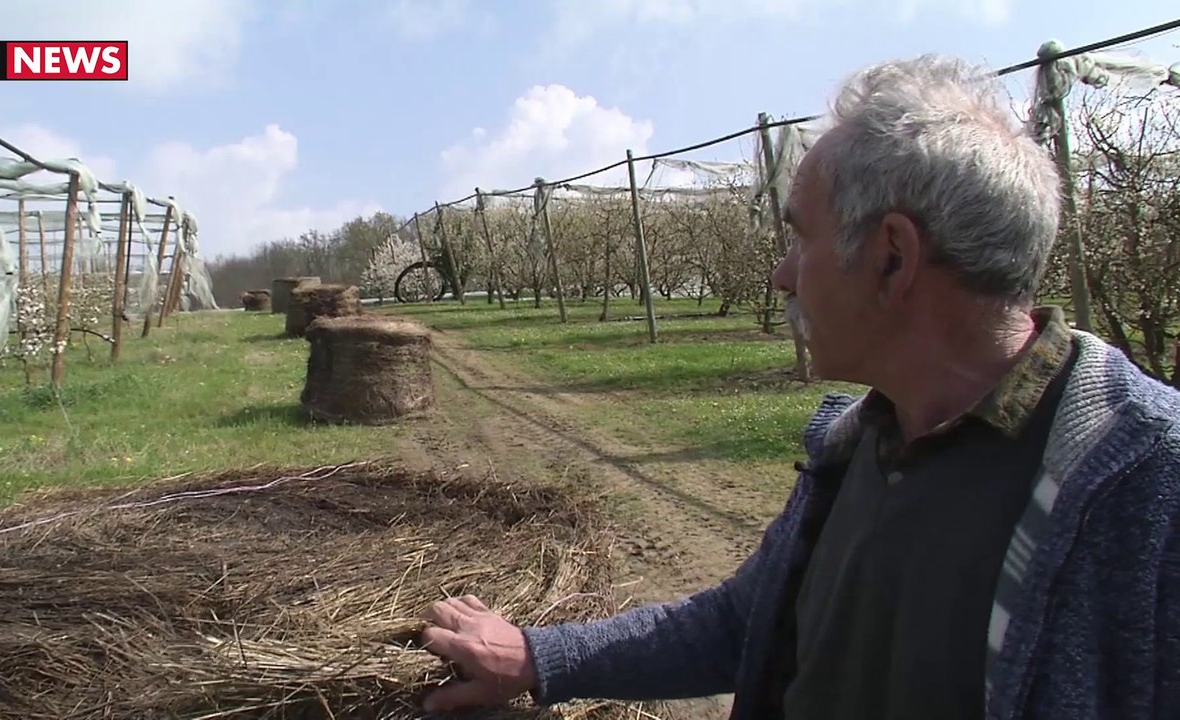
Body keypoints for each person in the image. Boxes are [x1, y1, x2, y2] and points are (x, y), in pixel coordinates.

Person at [418, 54, 1180, 719]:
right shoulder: (860, 441)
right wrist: (540, 657)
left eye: (799, 238)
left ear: (891, 258)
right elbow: (747, 621)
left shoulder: (1147, 487)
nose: (782, 274)